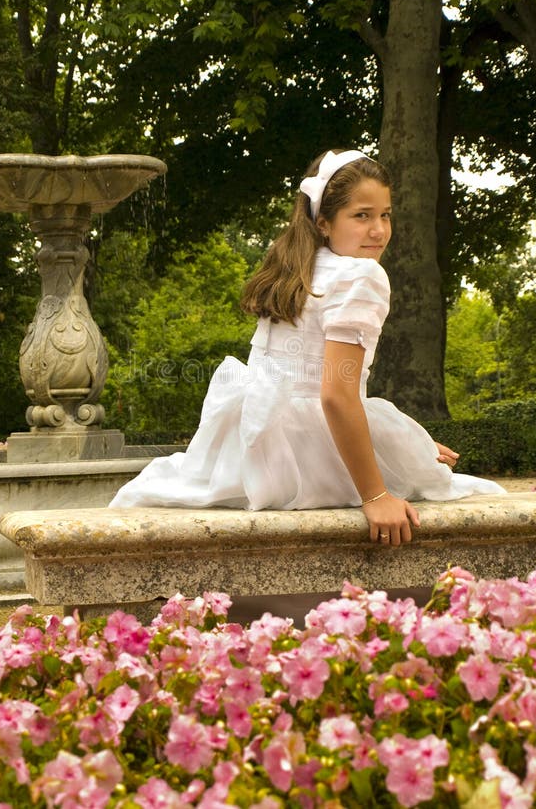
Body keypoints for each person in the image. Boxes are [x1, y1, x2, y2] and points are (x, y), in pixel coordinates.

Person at [109, 149, 505, 546]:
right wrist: (377, 494)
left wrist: (398, 444)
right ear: (323, 222)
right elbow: (334, 396)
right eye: (362, 215)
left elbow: (305, 384)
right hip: (304, 451)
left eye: (385, 214)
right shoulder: (362, 275)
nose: (379, 230)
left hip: (247, 444)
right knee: (483, 502)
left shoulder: (297, 270)